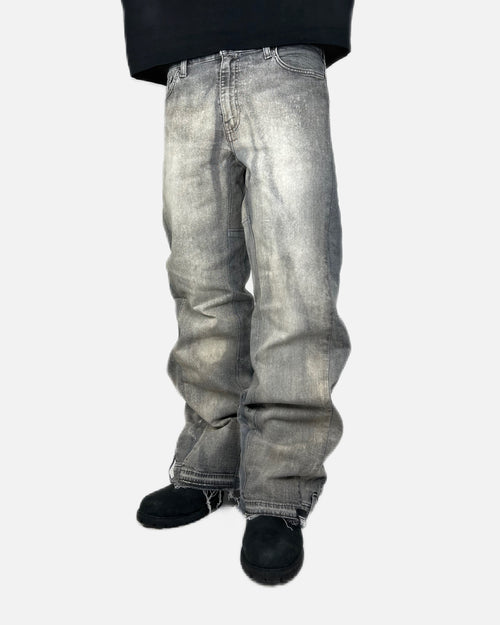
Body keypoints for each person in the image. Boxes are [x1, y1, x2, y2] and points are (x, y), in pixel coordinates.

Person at [120, 0, 355, 585]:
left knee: (297, 282)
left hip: (285, 47)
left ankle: (280, 486)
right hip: (182, 60)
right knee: (199, 280)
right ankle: (212, 461)